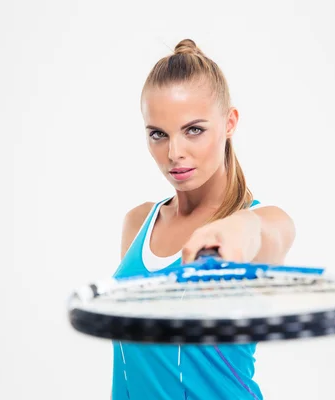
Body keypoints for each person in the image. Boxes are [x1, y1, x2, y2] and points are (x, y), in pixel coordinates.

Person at [110, 39, 296, 400]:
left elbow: (274, 229)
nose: (174, 153)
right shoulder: (138, 223)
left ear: (229, 123)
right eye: (158, 135)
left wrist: (240, 228)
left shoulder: (253, 223)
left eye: (193, 129)